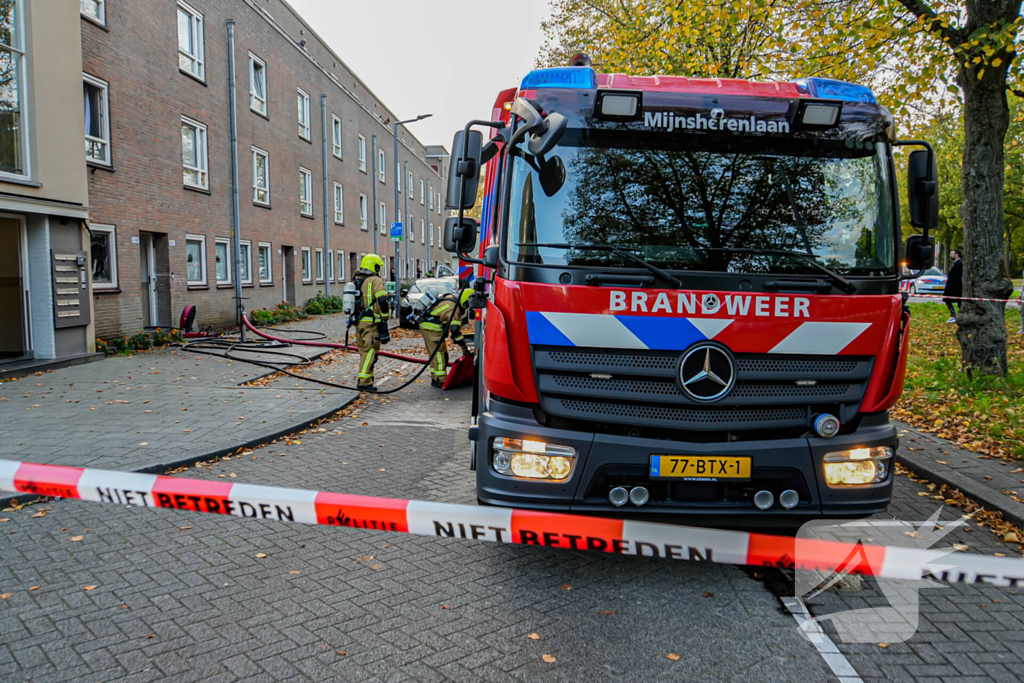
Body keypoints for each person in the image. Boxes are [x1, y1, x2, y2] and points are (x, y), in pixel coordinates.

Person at [418, 289, 471, 388]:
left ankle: (435, 378)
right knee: (439, 353)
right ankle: (441, 380)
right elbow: (455, 330)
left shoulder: (451, 298)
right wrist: (462, 343)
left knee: (434, 353)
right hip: (431, 328)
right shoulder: (454, 308)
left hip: (427, 325)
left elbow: (444, 317)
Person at [352, 254, 389, 392]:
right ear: (375, 266)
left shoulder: (357, 280)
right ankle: (363, 382)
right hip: (371, 323)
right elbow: (382, 300)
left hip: (359, 322)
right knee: (370, 351)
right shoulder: (375, 280)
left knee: (364, 352)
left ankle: (368, 378)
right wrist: (385, 317)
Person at [943, 249, 963, 323]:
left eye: (952, 254)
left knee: (947, 299)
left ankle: (953, 316)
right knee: (958, 302)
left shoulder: (959, 264)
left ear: (956, 254)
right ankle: (957, 316)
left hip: (955, 287)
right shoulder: (957, 264)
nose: (950, 255)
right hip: (955, 287)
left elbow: (956, 277)